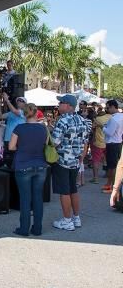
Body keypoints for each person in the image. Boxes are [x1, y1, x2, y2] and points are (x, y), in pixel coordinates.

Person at [51, 94, 90, 231]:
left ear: (68, 105)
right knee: (73, 189)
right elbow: (86, 142)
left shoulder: (62, 121)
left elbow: (54, 142)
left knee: (64, 191)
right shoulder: (82, 120)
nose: (59, 105)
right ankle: (76, 217)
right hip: (76, 160)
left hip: (62, 160)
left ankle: (67, 221)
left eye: (61, 102)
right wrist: (82, 158)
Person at [8, 103, 48, 236]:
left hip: (23, 165)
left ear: (24, 114)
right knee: (38, 198)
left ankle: (24, 228)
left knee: (25, 199)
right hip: (41, 165)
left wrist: (22, 148)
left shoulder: (19, 128)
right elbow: (45, 145)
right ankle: (37, 228)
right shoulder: (43, 129)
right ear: (37, 113)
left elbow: (11, 147)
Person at [0, 93, 26, 167]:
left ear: (25, 104)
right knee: (8, 158)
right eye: (18, 100)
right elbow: (0, 116)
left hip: (18, 139)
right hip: (7, 138)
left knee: (15, 158)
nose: (19, 101)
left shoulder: (24, 113)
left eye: (21, 100)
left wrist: (6, 100)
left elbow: (15, 111)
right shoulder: (11, 113)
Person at [102, 99, 123, 193]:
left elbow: (110, 132)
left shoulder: (114, 119)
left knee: (112, 167)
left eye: (108, 107)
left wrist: (103, 127)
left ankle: (112, 187)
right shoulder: (121, 116)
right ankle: (110, 185)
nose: (107, 109)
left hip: (112, 144)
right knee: (115, 166)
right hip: (118, 143)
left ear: (113, 107)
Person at [90, 109, 111, 184]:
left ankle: (95, 178)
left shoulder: (97, 119)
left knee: (96, 160)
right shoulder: (111, 117)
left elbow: (91, 129)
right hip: (108, 142)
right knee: (107, 159)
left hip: (98, 143)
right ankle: (108, 175)